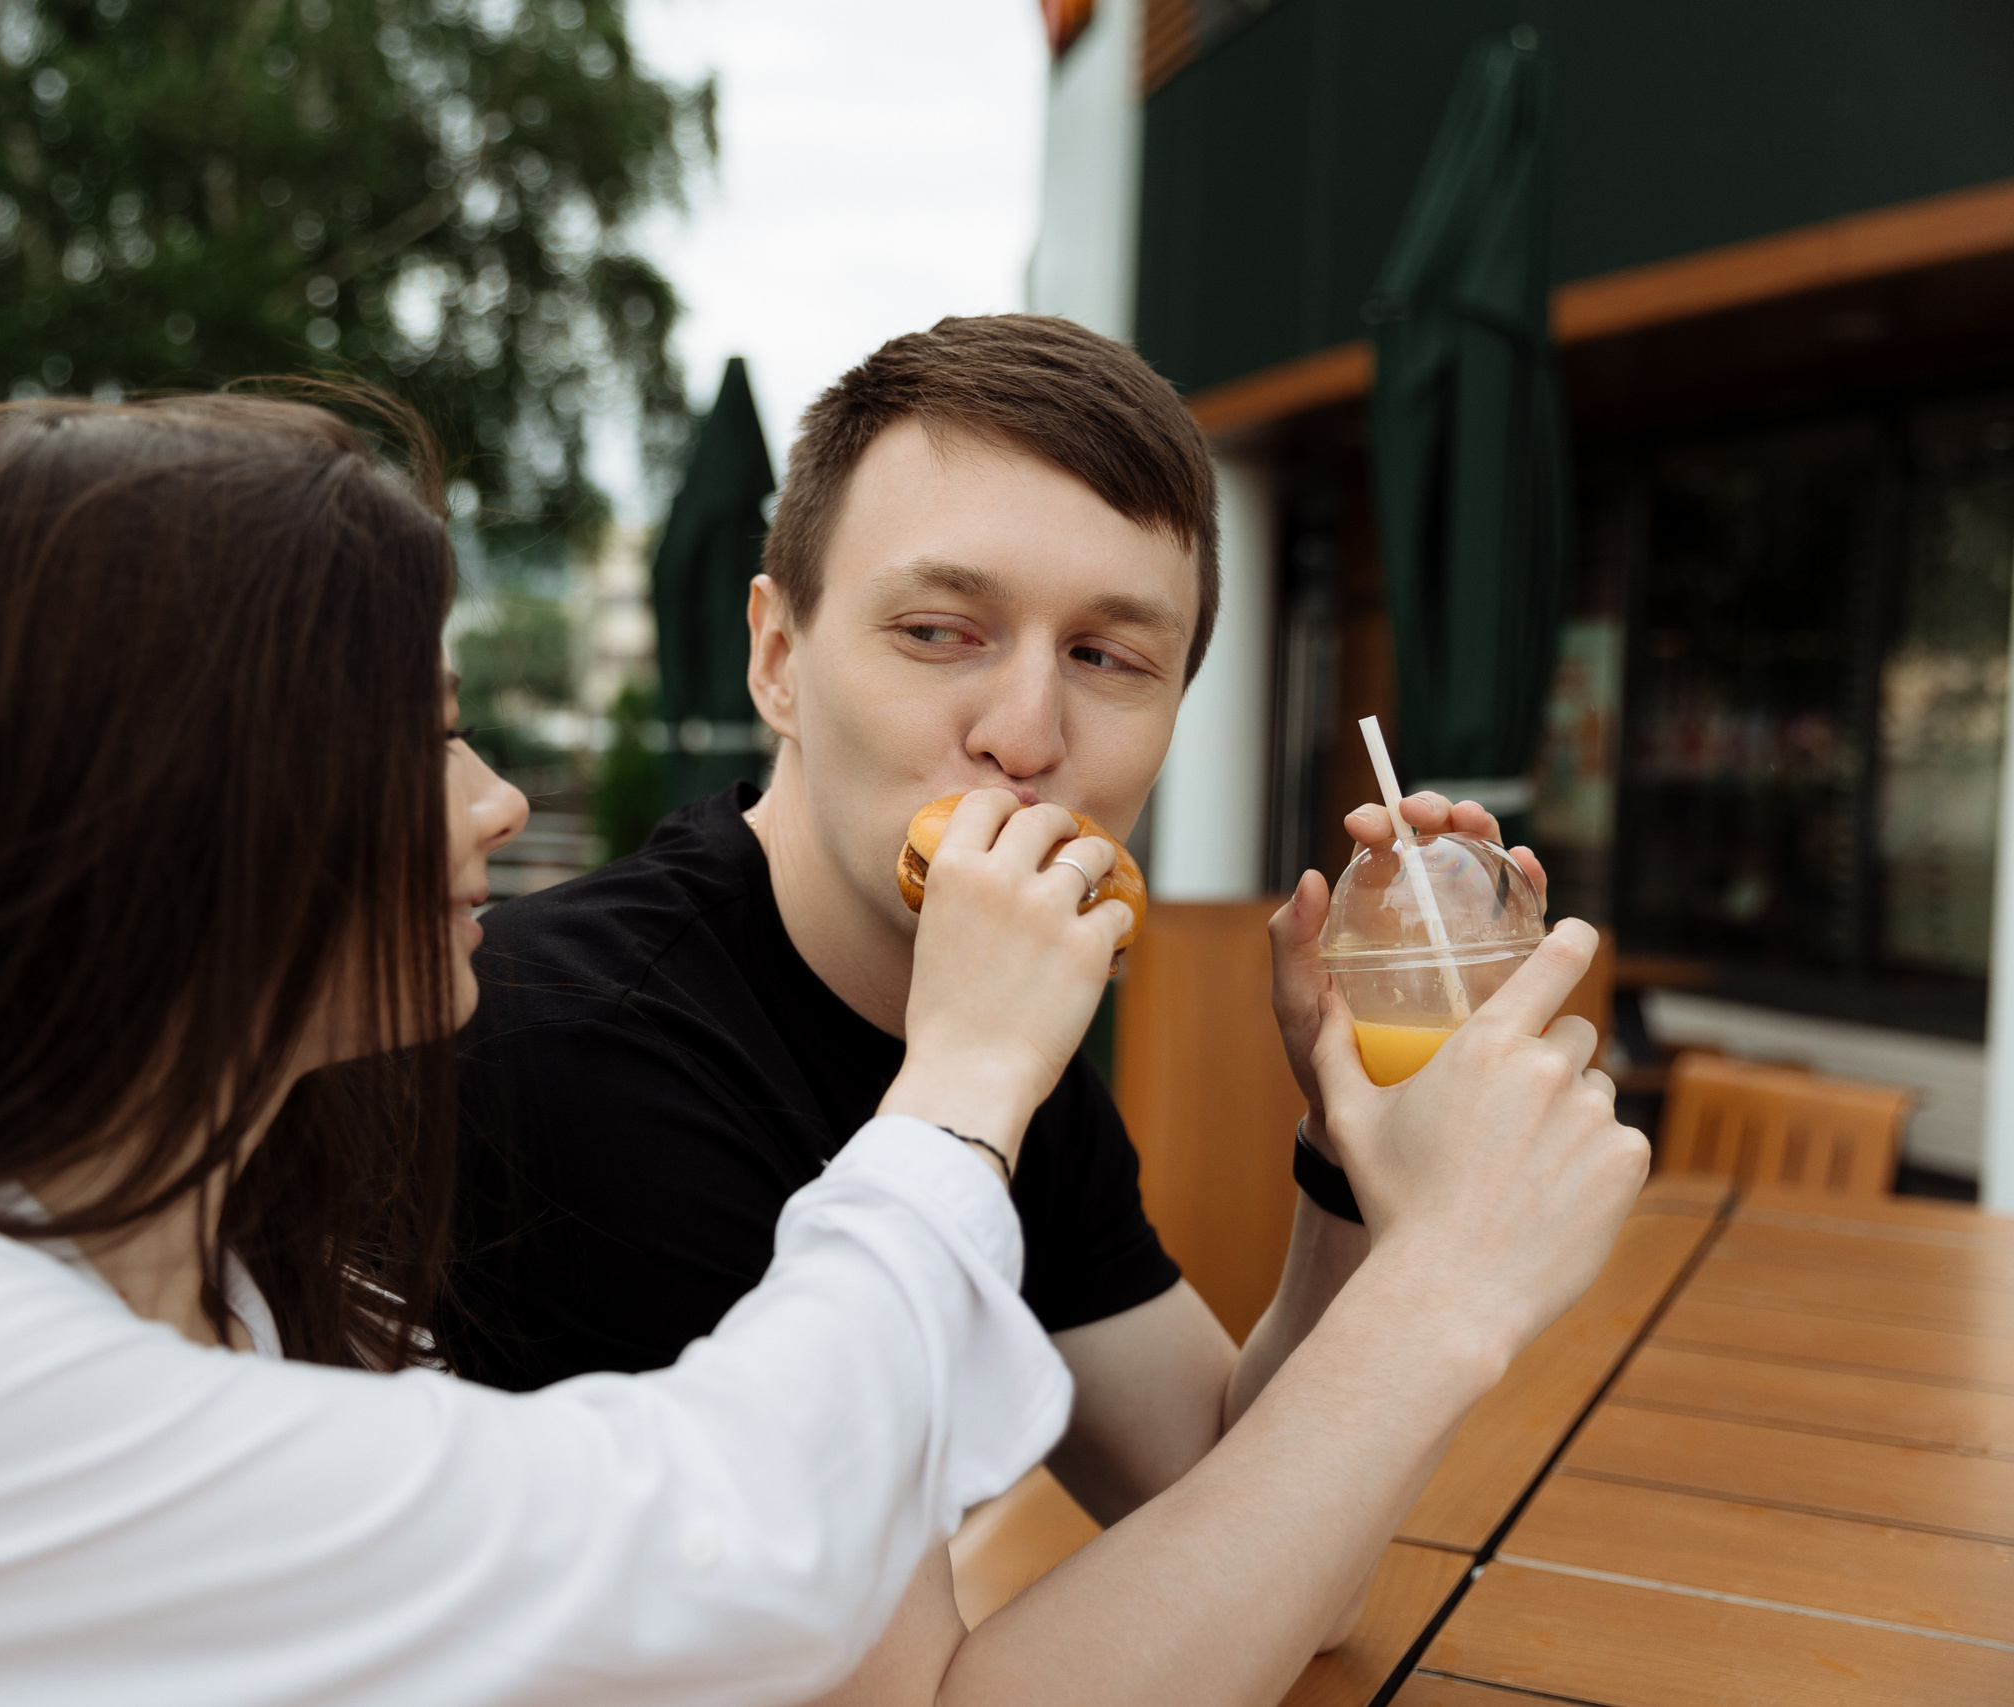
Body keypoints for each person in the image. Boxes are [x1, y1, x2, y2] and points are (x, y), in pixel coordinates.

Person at [0, 392, 1155, 1705]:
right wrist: (964, 1087)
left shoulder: (257, 1292)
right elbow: (733, 1543)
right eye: (420, 739)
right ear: (157, 808)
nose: (494, 803)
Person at [444, 316, 1649, 1704]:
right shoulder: (580, 1046)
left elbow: (1284, 1553)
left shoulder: (991, 1026)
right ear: (778, 657)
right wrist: (1449, 1287)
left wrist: (1343, 1148)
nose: (1024, 734)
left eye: (1108, 657)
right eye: (939, 631)